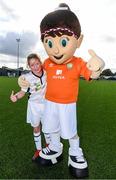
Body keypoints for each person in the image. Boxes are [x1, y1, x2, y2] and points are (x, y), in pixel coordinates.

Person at [18, 3, 105, 178]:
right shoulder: (47, 63)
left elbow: (91, 73)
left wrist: (98, 67)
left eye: (63, 41)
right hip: (49, 102)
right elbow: (35, 72)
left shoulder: (78, 62)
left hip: (67, 104)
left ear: (78, 41)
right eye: (49, 43)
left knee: (70, 130)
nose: (56, 49)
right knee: (50, 128)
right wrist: (23, 80)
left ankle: (75, 152)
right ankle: (55, 148)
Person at [10, 53, 50, 161]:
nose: (36, 66)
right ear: (29, 66)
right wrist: (16, 97)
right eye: (32, 65)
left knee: (47, 128)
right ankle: (38, 150)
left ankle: (49, 147)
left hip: (47, 105)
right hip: (34, 106)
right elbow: (23, 92)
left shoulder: (47, 73)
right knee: (36, 128)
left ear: (40, 62)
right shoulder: (27, 78)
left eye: (37, 63)